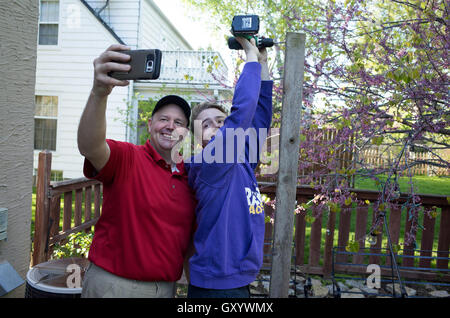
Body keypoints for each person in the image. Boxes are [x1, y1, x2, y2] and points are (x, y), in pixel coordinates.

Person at [77, 44, 196, 298]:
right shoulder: (128, 158)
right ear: (150, 124)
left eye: (179, 122)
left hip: (165, 289)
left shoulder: (191, 176)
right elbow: (90, 146)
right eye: (163, 119)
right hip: (113, 287)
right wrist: (99, 93)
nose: (170, 126)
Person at [185, 37, 273, 298]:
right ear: (198, 139)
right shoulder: (210, 164)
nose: (215, 128)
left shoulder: (242, 159)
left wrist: (263, 63)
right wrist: (249, 55)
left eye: (219, 121)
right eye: (206, 124)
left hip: (236, 281)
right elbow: (242, 113)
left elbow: (260, 117)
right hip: (215, 286)